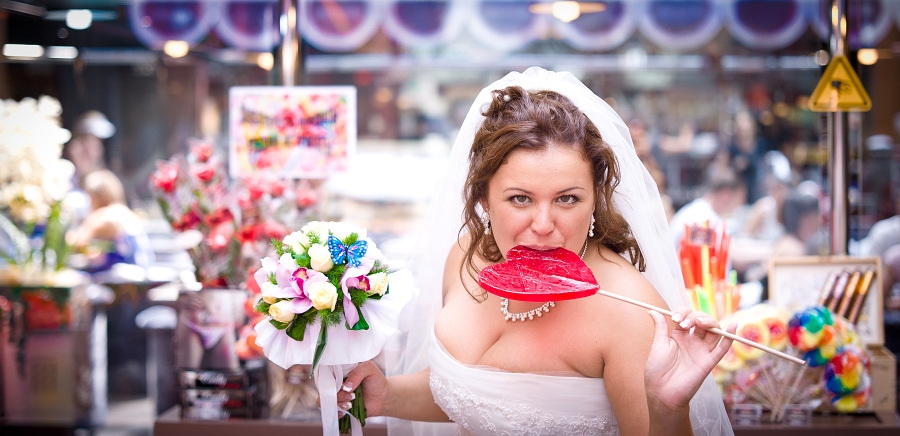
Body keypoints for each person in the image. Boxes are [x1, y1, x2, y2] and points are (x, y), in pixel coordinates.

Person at [337, 68, 736, 435]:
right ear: (484, 199)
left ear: (594, 200)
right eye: (520, 198)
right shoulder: (466, 257)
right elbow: (471, 395)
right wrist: (387, 395)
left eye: (567, 199)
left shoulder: (629, 313)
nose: (543, 225)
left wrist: (667, 410)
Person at [66, 169, 153, 276]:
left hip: (128, 278)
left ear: (96, 196)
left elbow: (75, 241)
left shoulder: (107, 215)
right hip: (142, 273)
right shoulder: (124, 212)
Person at [669, 166, 746, 249]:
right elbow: (703, 252)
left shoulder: (702, 211)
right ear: (725, 195)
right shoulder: (700, 218)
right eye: (740, 198)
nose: (740, 204)